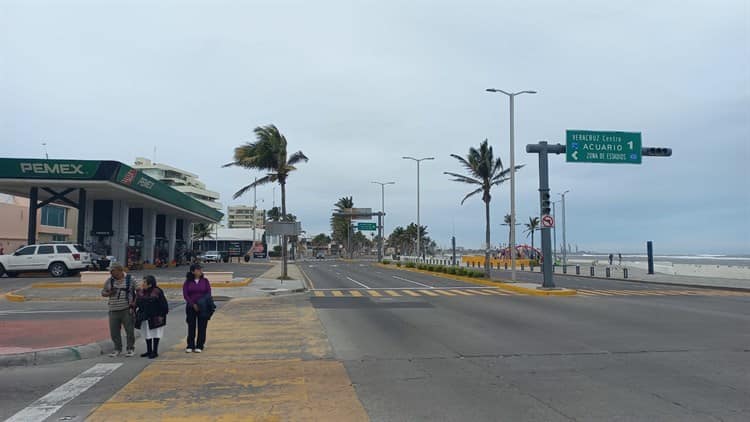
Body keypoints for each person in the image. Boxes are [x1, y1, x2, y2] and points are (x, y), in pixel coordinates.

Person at [101, 264, 137, 357]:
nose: (111, 273)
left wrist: (134, 303)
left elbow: (138, 291)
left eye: (112, 271)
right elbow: (103, 293)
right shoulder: (109, 281)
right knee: (114, 332)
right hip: (113, 309)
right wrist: (110, 293)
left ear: (119, 271)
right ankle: (117, 349)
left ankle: (130, 348)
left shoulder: (130, 279)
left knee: (129, 331)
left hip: (126, 309)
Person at [135, 275, 169, 359]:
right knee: (147, 333)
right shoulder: (140, 292)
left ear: (150, 284)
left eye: (144, 282)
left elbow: (164, 305)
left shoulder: (157, 291)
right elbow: (137, 303)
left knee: (155, 334)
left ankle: (155, 351)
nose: (142, 284)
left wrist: (162, 315)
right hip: (145, 316)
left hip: (156, 317)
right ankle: (149, 350)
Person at [183, 263, 214, 353]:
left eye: (201, 269)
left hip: (203, 307)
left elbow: (208, 293)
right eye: (198, 269)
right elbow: (186, 295)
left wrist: (201, 303)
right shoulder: (188, 282)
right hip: (191, 307)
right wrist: (193, 304)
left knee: (202, 326)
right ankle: (190, 345)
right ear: (193, 271)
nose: (201, 271)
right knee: (191, 326)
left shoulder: (205, 281)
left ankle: (200, 345)